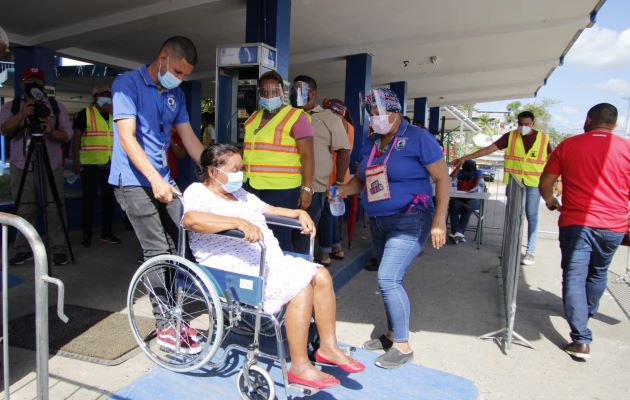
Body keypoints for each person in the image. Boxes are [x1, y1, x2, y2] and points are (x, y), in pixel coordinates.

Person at [182, 144, 364, 389]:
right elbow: (191, 220)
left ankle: (328, 347)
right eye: (235, 169)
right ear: (214, 172)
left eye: (242, 169)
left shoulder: (241, 194)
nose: (240, 174)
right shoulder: (198, 192)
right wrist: (236, 222)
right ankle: (299, 367)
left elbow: (270, 210)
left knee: (320, 274)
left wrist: (299, 213)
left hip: (265, 259)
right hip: (229, 264)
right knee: (300, 285)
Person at [337, 88, 449, 369]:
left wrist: (439, 222)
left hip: (411, 217)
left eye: (380, 112)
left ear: (396, 112)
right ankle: (389, 335)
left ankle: (403, 345)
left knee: (388, 278)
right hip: (378, 220)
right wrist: (339, 191)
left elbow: (443, 179)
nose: (375, 117)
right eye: (372, 112)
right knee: (391, 279)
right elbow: (361, 181)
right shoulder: (372, 142)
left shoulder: (418, 138)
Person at [109, 36, 205, 352]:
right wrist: (154, 179)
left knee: (183, 237)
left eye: (184, 75)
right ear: (162, 57)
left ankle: (176, 312)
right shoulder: (127, 84)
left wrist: (219, 172)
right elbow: (127, 137)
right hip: (134, 180)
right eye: (176, 70)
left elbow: (189, 140)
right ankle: (165, 324)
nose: (179, 78)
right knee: (157, 249)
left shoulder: (174, 94)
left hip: (162, 180)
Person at [539, 103, 630, 361]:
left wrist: (549, 200)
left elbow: (546, 182)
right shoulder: (626, 148)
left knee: (574, 277)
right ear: (614, 123)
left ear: (589, 119)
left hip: (576, 223)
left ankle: (580, 338)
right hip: (613, 226)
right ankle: (584, 314)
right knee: (598, 273)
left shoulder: (569, 145)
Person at [451, 111, 553, 265]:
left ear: (533, 123)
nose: (523, 127)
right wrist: (466, 157)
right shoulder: (510, 136)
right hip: (514, 182)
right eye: (520, 124)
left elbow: (553, 161)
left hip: (533, 183)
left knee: (531, 216)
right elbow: (488, 149)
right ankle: (510, 247)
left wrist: (555, 182)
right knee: (513, 216)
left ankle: (530, 251)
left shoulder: (543, 139)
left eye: (526, 124)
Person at [0, 67, 73, 265]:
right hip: (21, 165)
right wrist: (22, 115)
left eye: (38, 80)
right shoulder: (11, 106)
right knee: (25, 208)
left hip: (52, 164)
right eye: (30, 80)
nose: (34, 84)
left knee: (54, 207)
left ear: (43, 84)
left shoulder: (56, 107)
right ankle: (23, 249)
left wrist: (50, 130)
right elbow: (3, 129)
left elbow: (67, 135)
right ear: (22, 84)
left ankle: (59, 249)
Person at [242, 70, 314, 252]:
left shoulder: (297, 117)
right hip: (251, 186)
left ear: (282, 92)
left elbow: (308, 156)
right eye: (264, 92)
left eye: (274, 91)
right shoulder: (252, 118)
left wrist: (306, 188)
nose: (269, 96)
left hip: (282, 190)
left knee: (279, 238)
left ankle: (284, 277)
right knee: (255, 235)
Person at [289, 75, 351, 256]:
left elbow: (344, 150)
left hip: (314, 187)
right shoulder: (288, 115)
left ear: (312, 93)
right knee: (285, 231)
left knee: (302, 233)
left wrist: (339, 183)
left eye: (299, 90)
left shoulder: (329, 117)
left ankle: (301, 273)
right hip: (286, 184)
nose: (294, 93)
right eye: (293, 90)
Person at [72, 83, 121, 247]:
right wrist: (76, 161)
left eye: (109, 93)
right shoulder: (85, 113)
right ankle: (87, 236)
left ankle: (107, 233)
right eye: (103, 94)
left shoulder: (114, 115)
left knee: (108, 200)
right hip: (90, 165)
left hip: (110, 165)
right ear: (95, 97)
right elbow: (76, 138)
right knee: (89, 202)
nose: (107, 96)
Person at [319, 98, 354, 264]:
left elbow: (339, 152)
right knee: (333, 213)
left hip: (332, 176)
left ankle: (325, 253)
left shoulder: (337, 125)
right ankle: (337, 247)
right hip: (341, 176)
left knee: (327, 214)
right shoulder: (350, 127)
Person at [448, 159, 484, 244]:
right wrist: (458, 167)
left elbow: (478, 182)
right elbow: (451, 178)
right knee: (453, 205)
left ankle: (457, 233)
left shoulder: (477, 172)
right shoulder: (460, 172)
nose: (468, 167)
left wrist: (471, 191)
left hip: (473, 199)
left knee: (468, 207)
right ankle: (459, 234)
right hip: (460, 198)